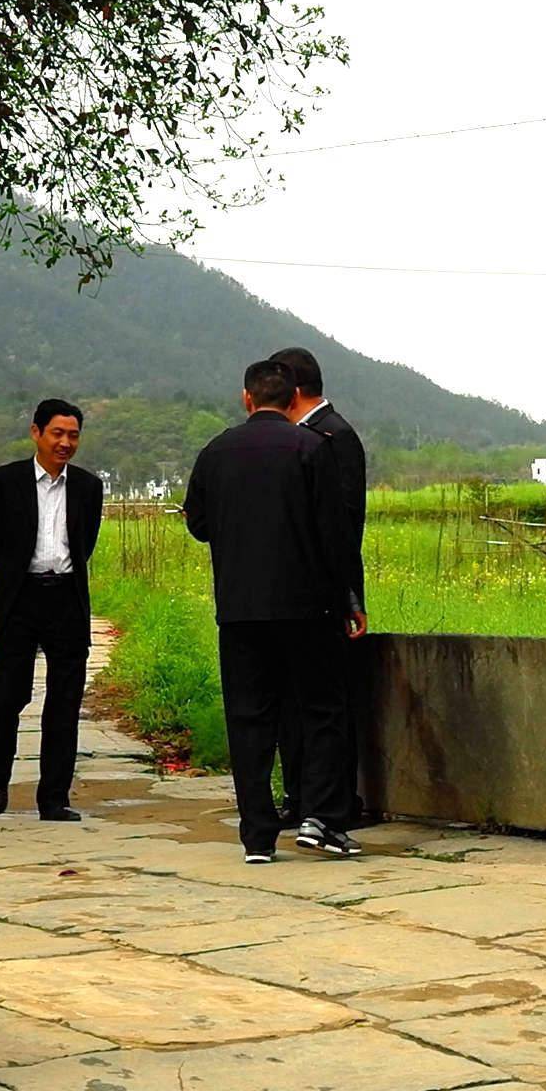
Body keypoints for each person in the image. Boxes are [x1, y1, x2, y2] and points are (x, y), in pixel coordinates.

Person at [181, 358, 356, 863]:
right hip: (307, 608)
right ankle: (320, 819)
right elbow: (335, 533)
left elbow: (198, 523)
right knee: (322, 711)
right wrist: (348, 598)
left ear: (247, 398)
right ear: (293, 397)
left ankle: (257, 836)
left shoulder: (216, 452)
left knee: (249, 718)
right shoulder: (312, 448)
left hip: (240, 609)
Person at [0, 398, 104, 820]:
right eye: (57, 433)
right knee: (7, 697)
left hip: (67, 598)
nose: (65, 443)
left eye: (73, 435)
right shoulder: (5, 481)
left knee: (65, 703)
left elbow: (85, 543)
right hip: (19, 599)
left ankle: (54, 797)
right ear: (36, 432)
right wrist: (15, 578)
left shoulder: (88, 487)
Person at [269, 345, 367, 830]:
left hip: (325, 594)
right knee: (290, 701)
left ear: (292, 388)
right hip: (286, 594)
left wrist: (349, 596)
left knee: (329, 703)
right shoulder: (292, 439)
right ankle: (299, 795)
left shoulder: (335, 437)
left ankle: (336, 802)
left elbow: (344, 526)